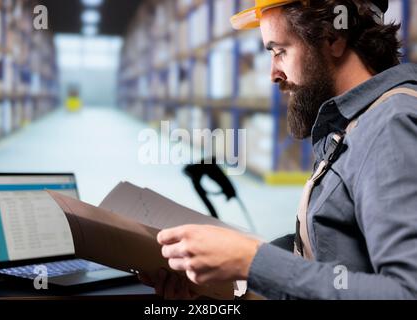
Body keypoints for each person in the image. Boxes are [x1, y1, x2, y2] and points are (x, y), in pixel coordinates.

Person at [139, 0, 417, 299]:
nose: (273, 74)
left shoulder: (390, 125)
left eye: (280, 51)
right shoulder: (352, 124)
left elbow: (406, 291)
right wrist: (227, 280)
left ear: (333, 38)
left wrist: (252, 261)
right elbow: (334, 258)